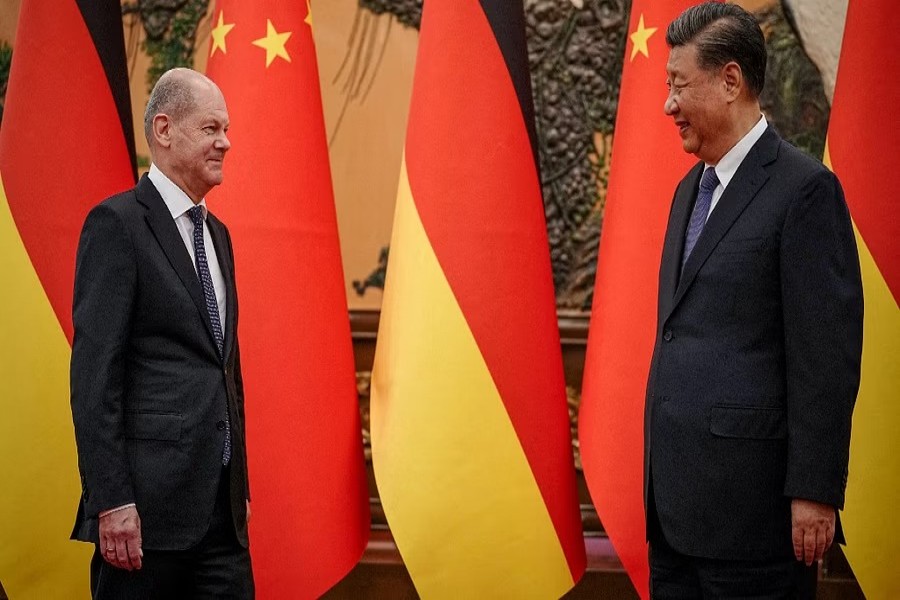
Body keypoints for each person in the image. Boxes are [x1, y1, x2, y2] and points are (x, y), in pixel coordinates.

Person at [643, 3, 863, 597]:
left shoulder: (805, 191)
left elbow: (826, 356)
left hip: (754, 522)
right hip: (674, 520)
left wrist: (815, 491)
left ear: (731, 81)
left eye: (678, 86)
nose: (668, 105)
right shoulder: (689, 189)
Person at [70, 68, 253, 598]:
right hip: (144, 520)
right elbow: (94, 378)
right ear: (164, 130)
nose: (226, 142)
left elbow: (225, 370)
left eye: (227, 129)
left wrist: (239, 485)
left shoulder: (217, 235)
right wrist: (112, 500)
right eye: (211, 128)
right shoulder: (116, 225)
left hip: (222, 518)